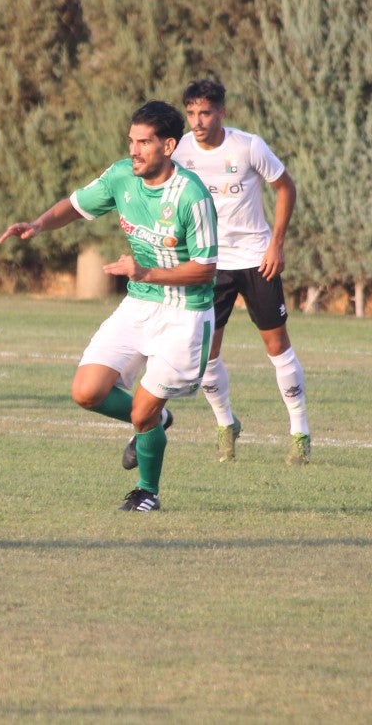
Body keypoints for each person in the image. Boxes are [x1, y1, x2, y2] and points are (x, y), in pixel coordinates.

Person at [0, 101, 218, 511]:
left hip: (185, 316)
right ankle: (156, 422)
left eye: (145, 142)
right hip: (139, 306)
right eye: (131, 141)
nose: (134, 150)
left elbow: (205, 269)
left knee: (141, 414)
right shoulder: (121, 176)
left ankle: (146, 491)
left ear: (168, 146)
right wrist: (39, 224)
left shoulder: (192, 196)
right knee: (86, 392)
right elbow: (77, 204)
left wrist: (146, 272)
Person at [133, 79, 312, 466]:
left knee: (276, 347)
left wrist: (276, 243)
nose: (197, 121)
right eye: (192, 113)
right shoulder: (177, 150)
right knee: (207, 354)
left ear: (221, 113)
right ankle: (225, 424)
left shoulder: (249, 146)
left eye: (205, 113)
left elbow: (285, 188)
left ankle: (299, 431)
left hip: (254, 259)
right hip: (209, 265)